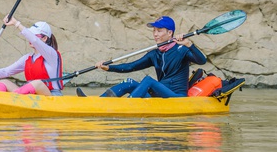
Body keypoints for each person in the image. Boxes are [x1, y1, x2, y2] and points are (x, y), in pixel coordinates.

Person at [78, 15, 206, 98]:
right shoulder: (154, 54)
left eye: (159, 31)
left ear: (170, 32)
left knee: (148, 80)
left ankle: (127, 106)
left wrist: (189, 44)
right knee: (129, 82)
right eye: (154, 31)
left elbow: (202, 60)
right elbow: (131, 66)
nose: (155, 34)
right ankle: (98, 102)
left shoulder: (181, 49)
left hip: (176, 96)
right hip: (160, 96)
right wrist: (109, 68)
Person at [0, 16, 64, 96]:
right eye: (30, 34)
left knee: (37, 83)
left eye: (34, 35)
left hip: (52, 95)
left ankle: (9, 98)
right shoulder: (27, 58)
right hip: (31, 95)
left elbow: (35, 41)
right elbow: (6, 71)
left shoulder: (52, 54)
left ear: (44, 38)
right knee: (3, 82)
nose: (30, 38)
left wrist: (16, 23)